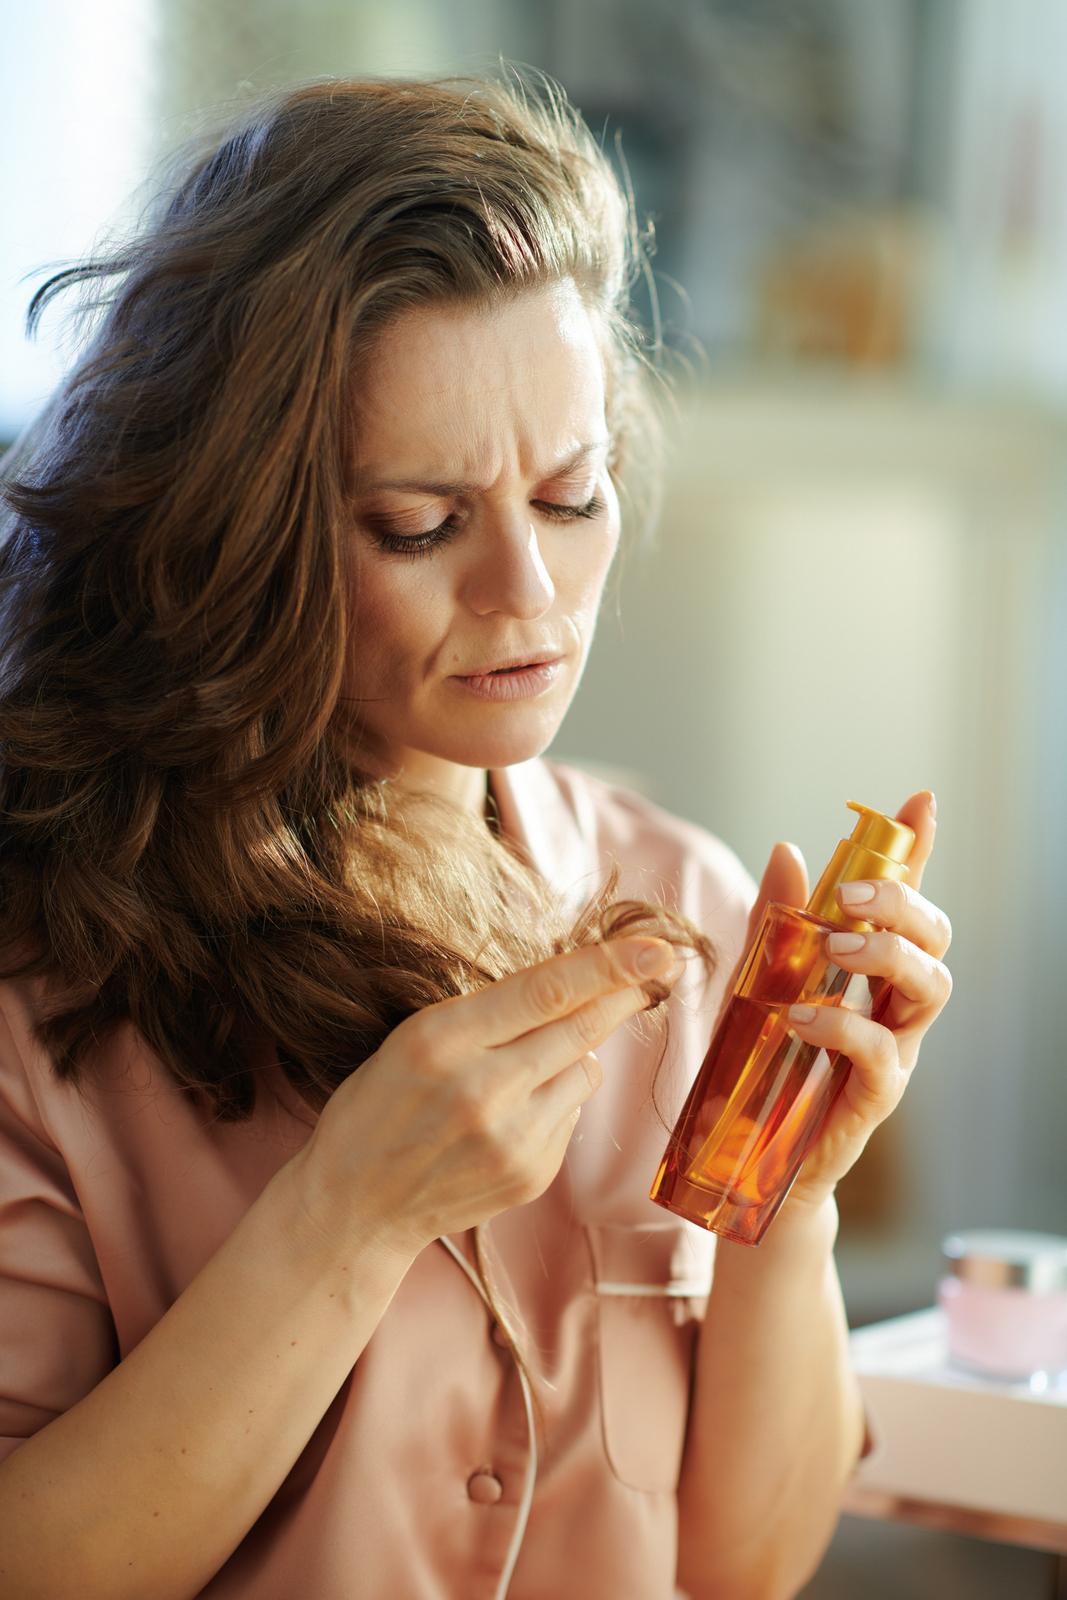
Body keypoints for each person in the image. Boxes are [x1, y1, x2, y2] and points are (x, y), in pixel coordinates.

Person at [0, 76, 951, 1600]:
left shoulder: (686, 906)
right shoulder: (45, 976)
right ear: (237, 528)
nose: (530, 594)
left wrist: (792, 1202)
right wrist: (345, 1215)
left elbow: (744, 1566)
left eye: (573, 497)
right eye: (420, 526)